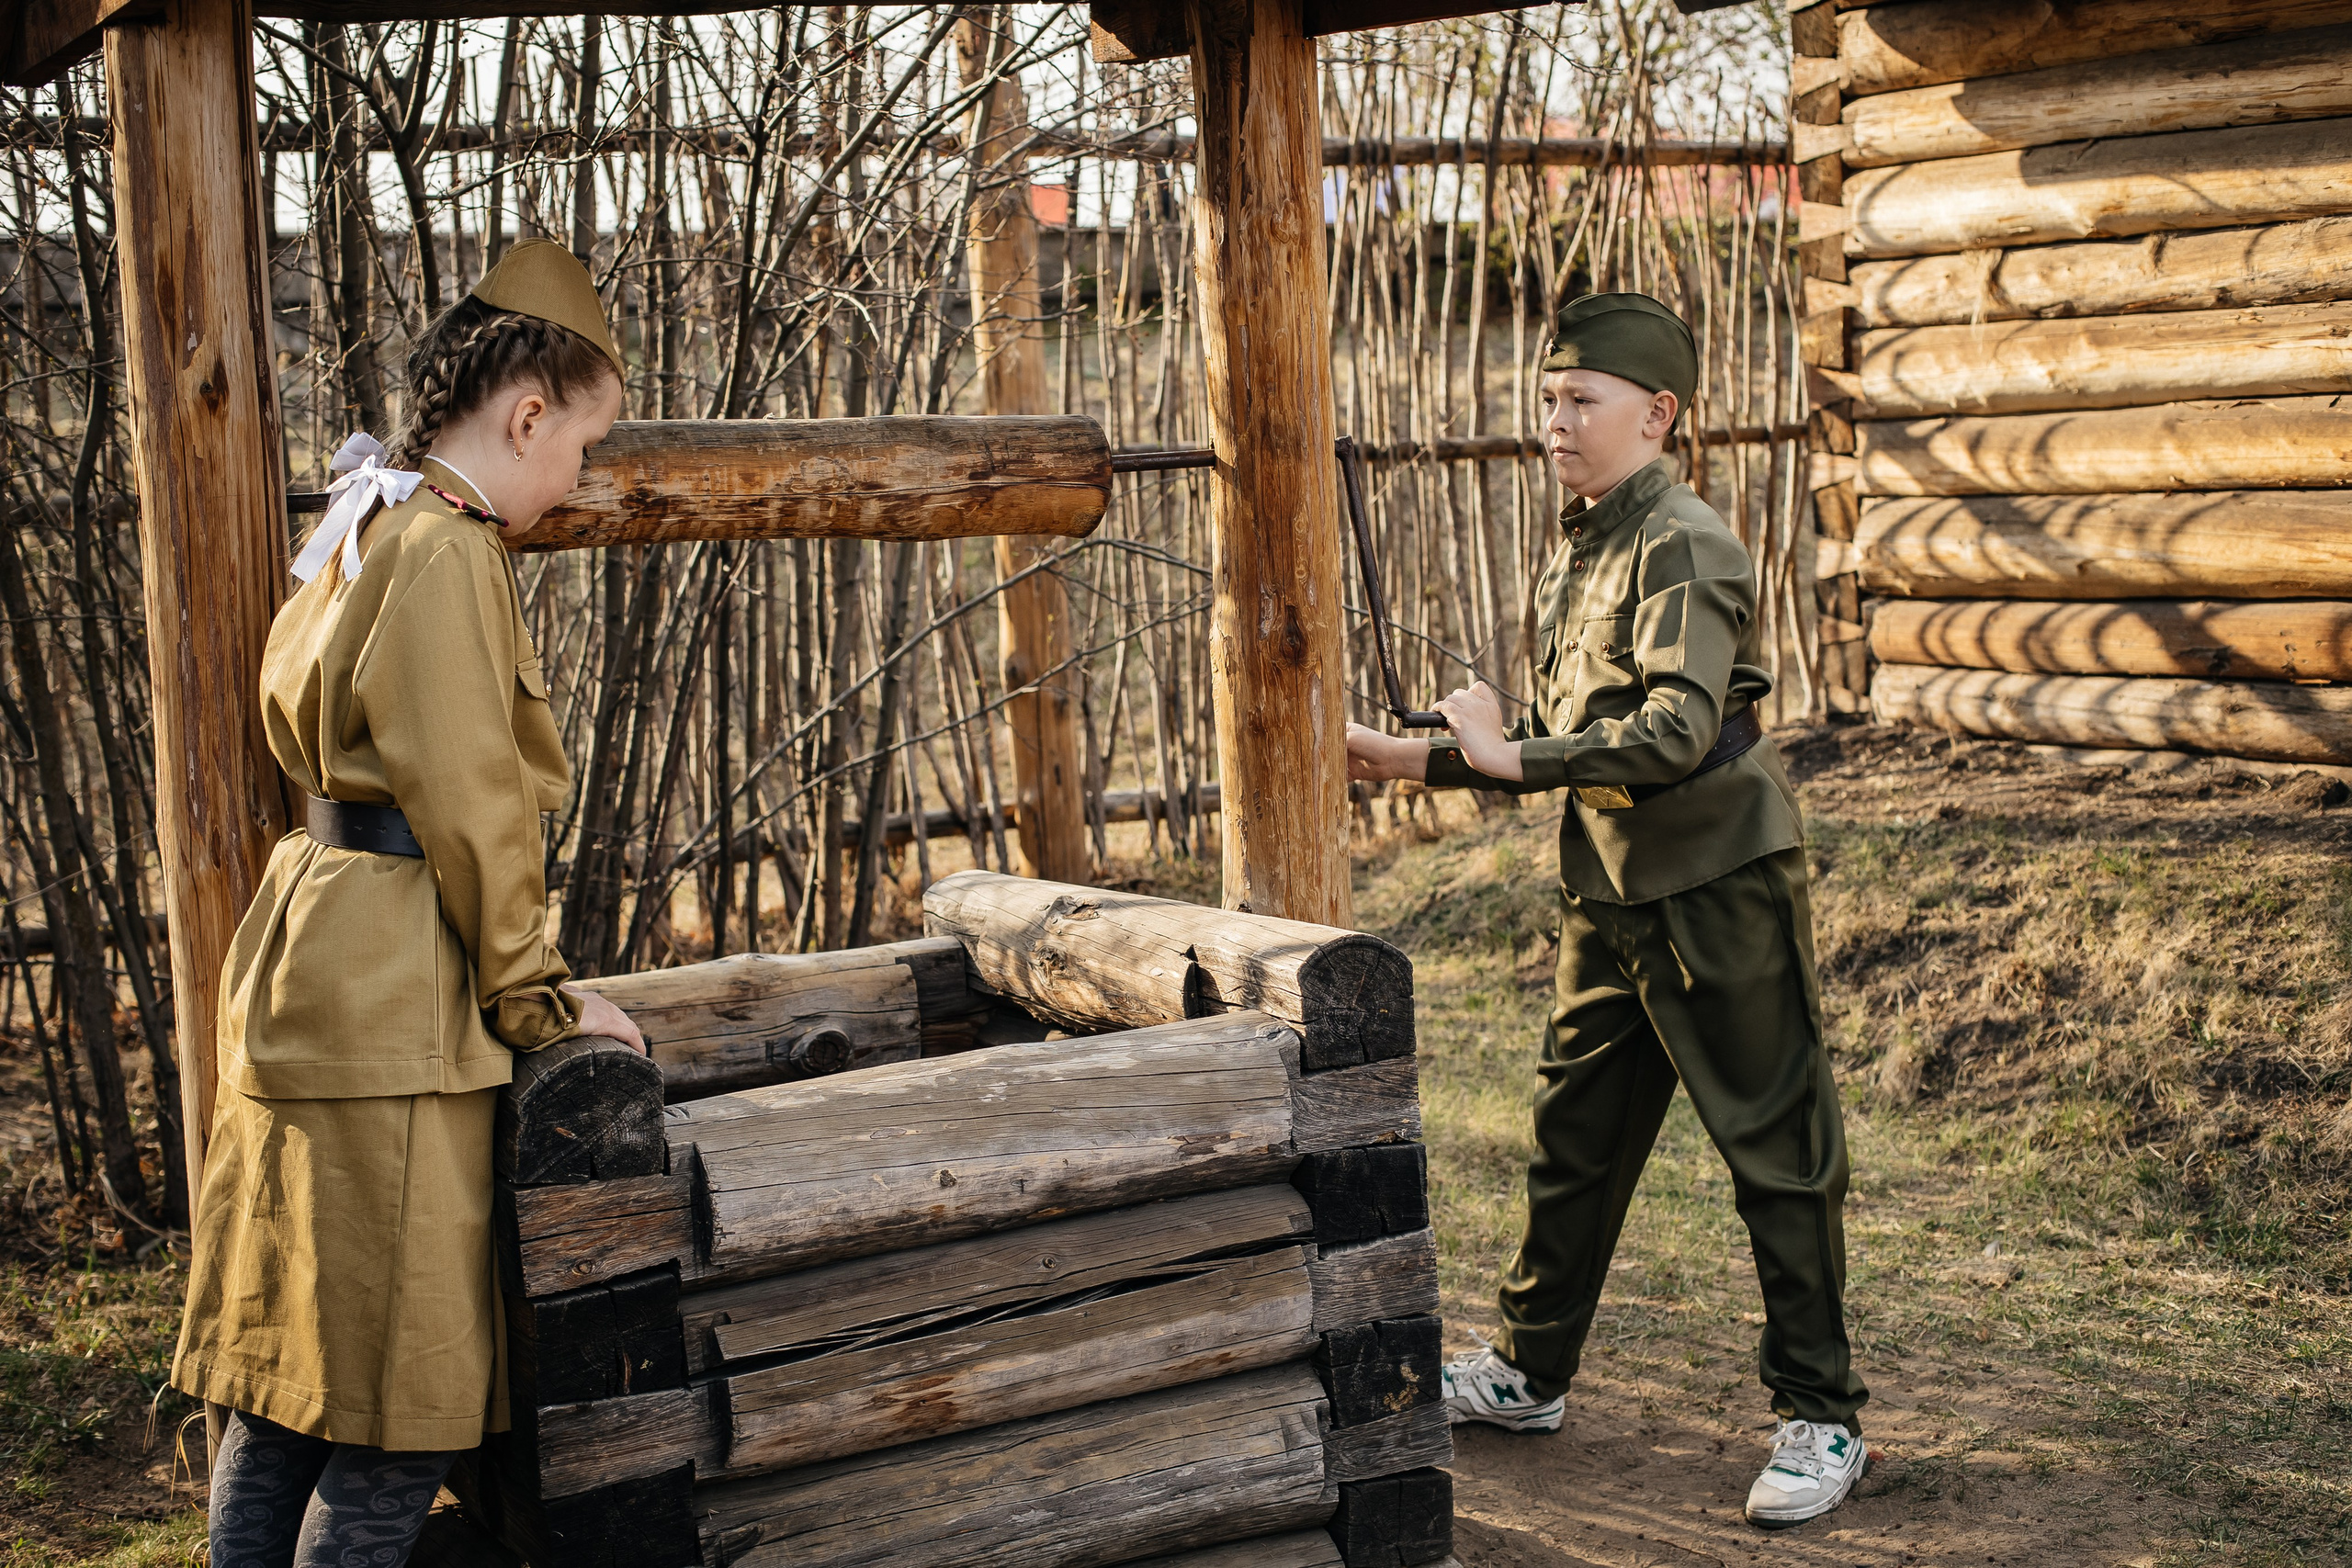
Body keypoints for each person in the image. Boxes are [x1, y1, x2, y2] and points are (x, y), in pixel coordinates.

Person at [1345, 292, 1869, 1529]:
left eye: (1582, 401)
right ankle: (1530, 1374)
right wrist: (1404, 759)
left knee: (1777, 1159)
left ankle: (1823, 1417)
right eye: (1547, 399)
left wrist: (1503, 755)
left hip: (1719, 886)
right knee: (1574, 1139)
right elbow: (1567, 738)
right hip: (1613, 888)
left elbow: (1677, 732)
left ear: (1659, 412)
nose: (1556, 422)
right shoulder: (1586, 540)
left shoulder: (1683, 541)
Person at [172, 241, 648, 1568]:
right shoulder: (440, 548)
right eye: (583, 445)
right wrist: (547, 1006)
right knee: (400, 1421)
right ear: (528, 411)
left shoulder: (364, 517)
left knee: (283, 1395)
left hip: (312, 959)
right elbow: (474, 813)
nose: (577, 480)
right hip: (388, 1002)